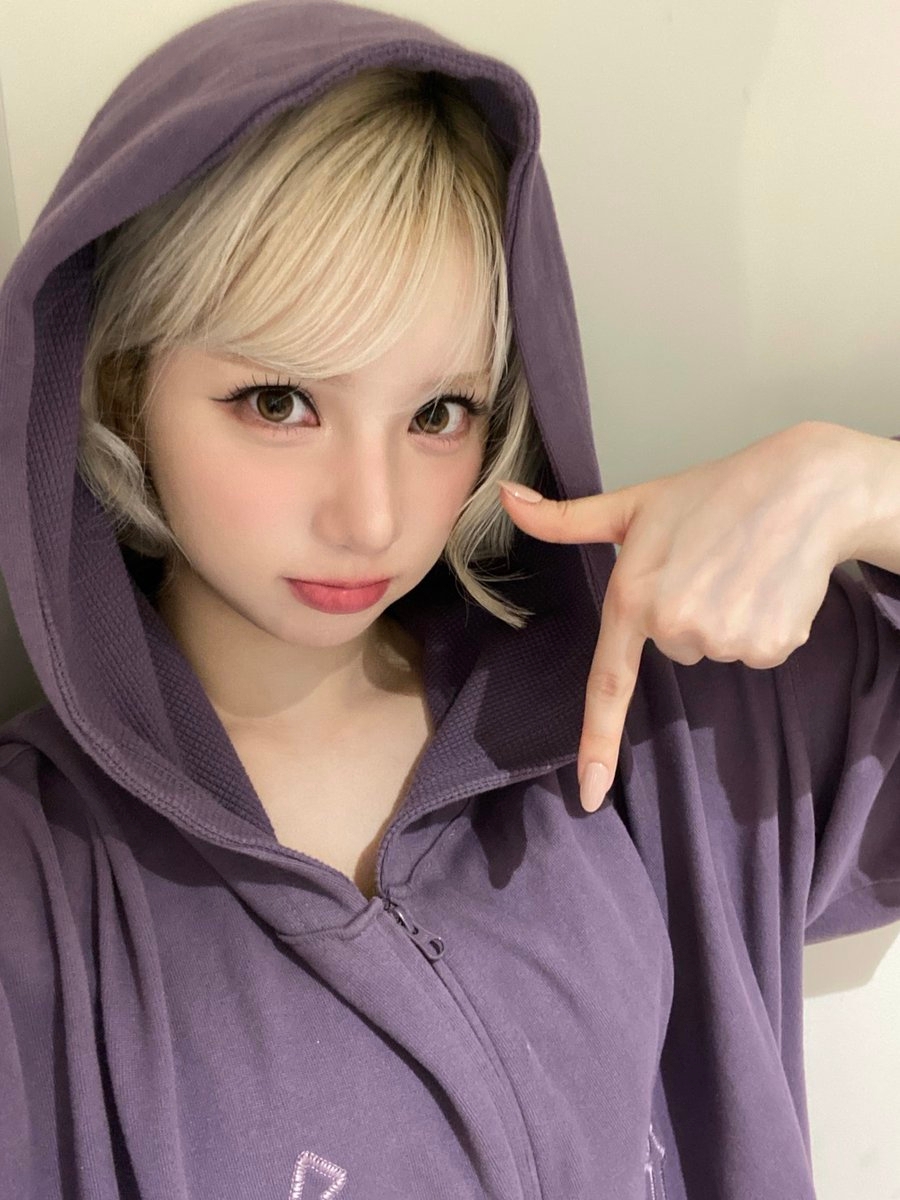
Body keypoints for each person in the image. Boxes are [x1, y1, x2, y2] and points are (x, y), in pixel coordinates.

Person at [1, 2, 899, 1198]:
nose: (371, 518)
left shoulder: (657, 725)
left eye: (438, 413)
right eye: (279, 402)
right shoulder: (36, 894)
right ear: (123, 389)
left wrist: (863, 488)